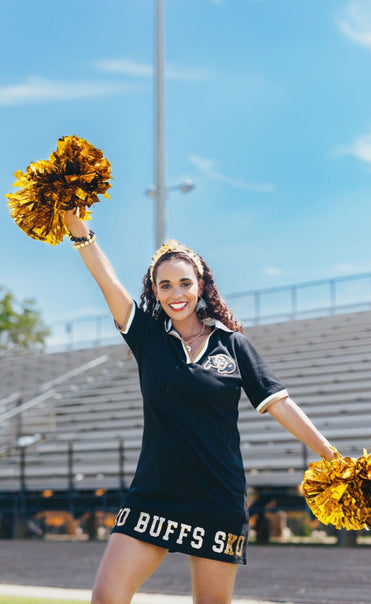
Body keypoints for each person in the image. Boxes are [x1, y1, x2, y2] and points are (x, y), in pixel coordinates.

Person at [65, 209, 336, 604]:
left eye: (185, 283)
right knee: (106, 597)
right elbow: (105, 277)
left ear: (201, 285)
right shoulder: (147, 336)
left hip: (216, 496)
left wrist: (331, 456)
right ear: (154, 290)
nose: (176, 294)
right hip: (154, 492)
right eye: (165, 285)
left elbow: (280, 403)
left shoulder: (233, 344)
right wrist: (77, 226)